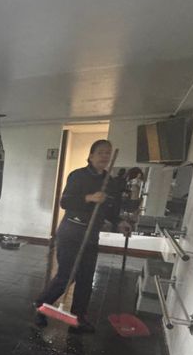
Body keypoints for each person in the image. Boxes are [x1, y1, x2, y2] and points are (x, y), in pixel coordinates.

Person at [35, 139, 130, 332]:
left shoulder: (110, 183)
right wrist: (90, 198)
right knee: (66, 276)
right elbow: (65, 202)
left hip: (91, 235)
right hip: (71, 232)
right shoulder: (77, 176)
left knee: (86, 278)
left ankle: (79, 317)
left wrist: (120, 222)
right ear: (91, 156)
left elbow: (110, 210)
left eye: (108, 153)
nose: (105, 156)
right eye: (101, 152)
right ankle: (41, 306)